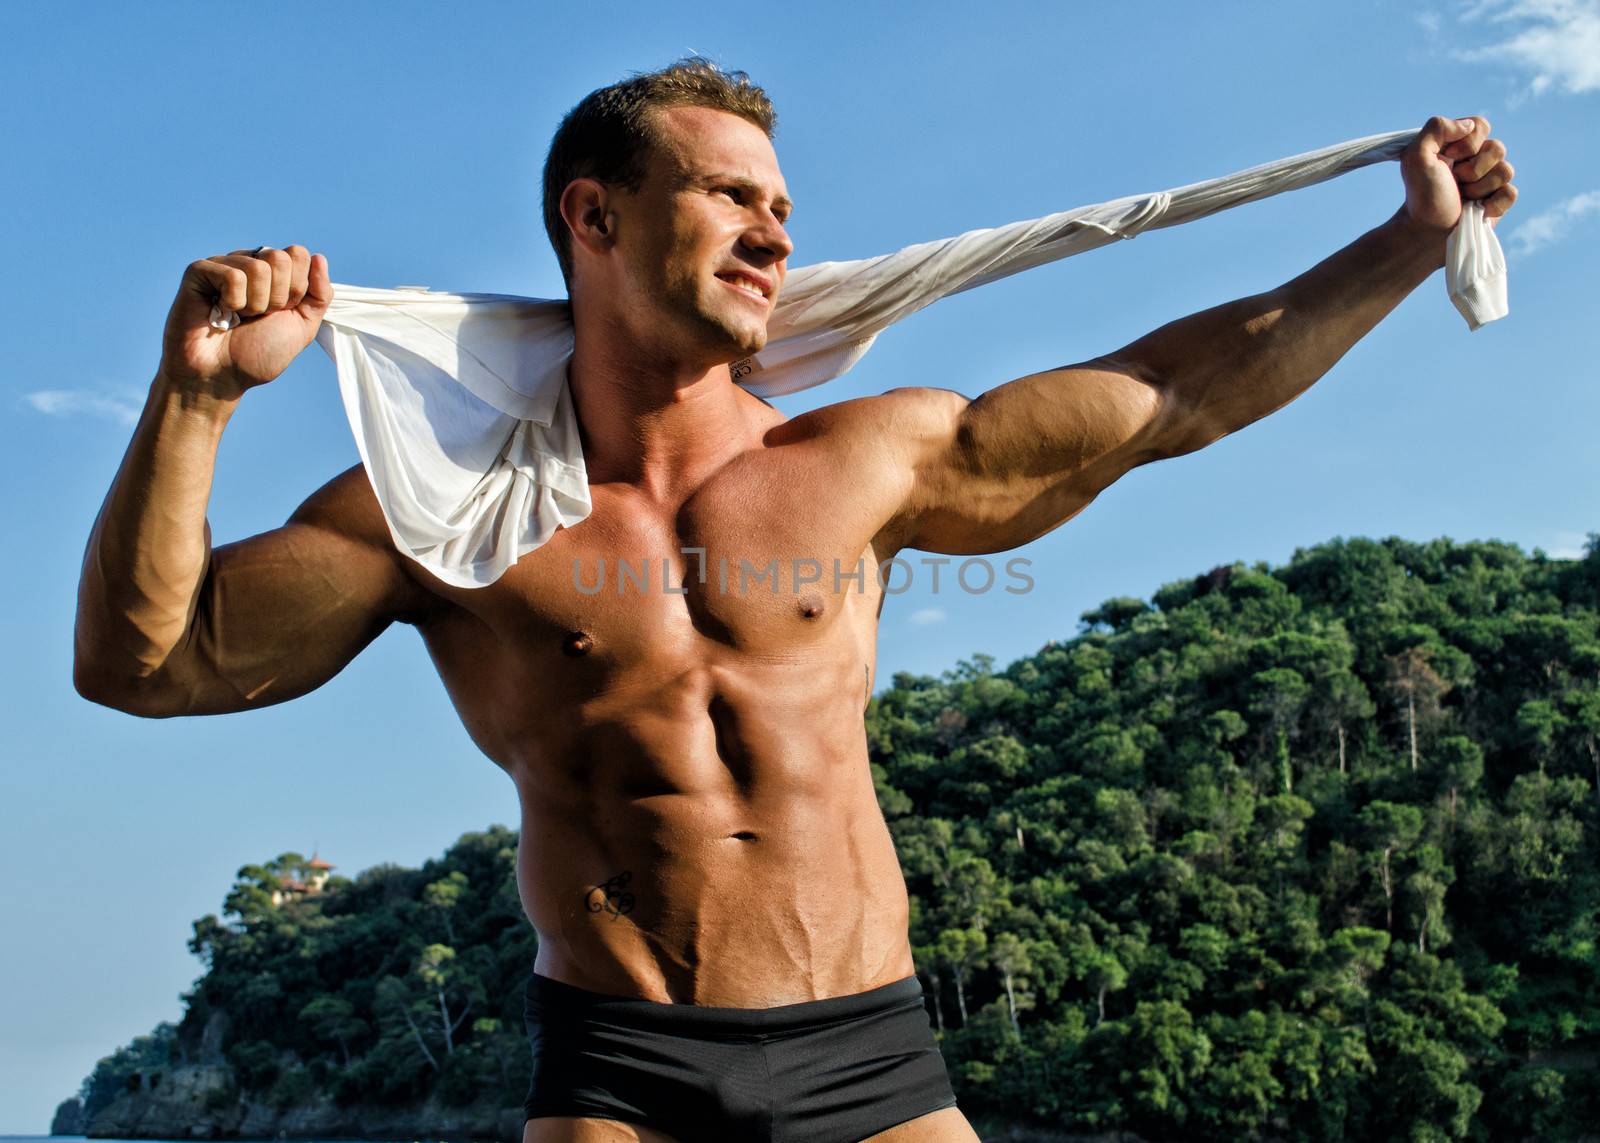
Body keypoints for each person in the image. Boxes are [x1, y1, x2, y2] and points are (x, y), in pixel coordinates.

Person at [73, 59, 1516, 1143]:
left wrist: (1405, 242)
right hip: (620, 1074)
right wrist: (193, 402)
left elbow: (1173, 397)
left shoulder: (863, 460)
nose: (771, 232)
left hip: (871, 1062)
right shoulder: (442, 515)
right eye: (728, 196)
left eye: (782, 207)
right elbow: (152, 666)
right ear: (596, 214)